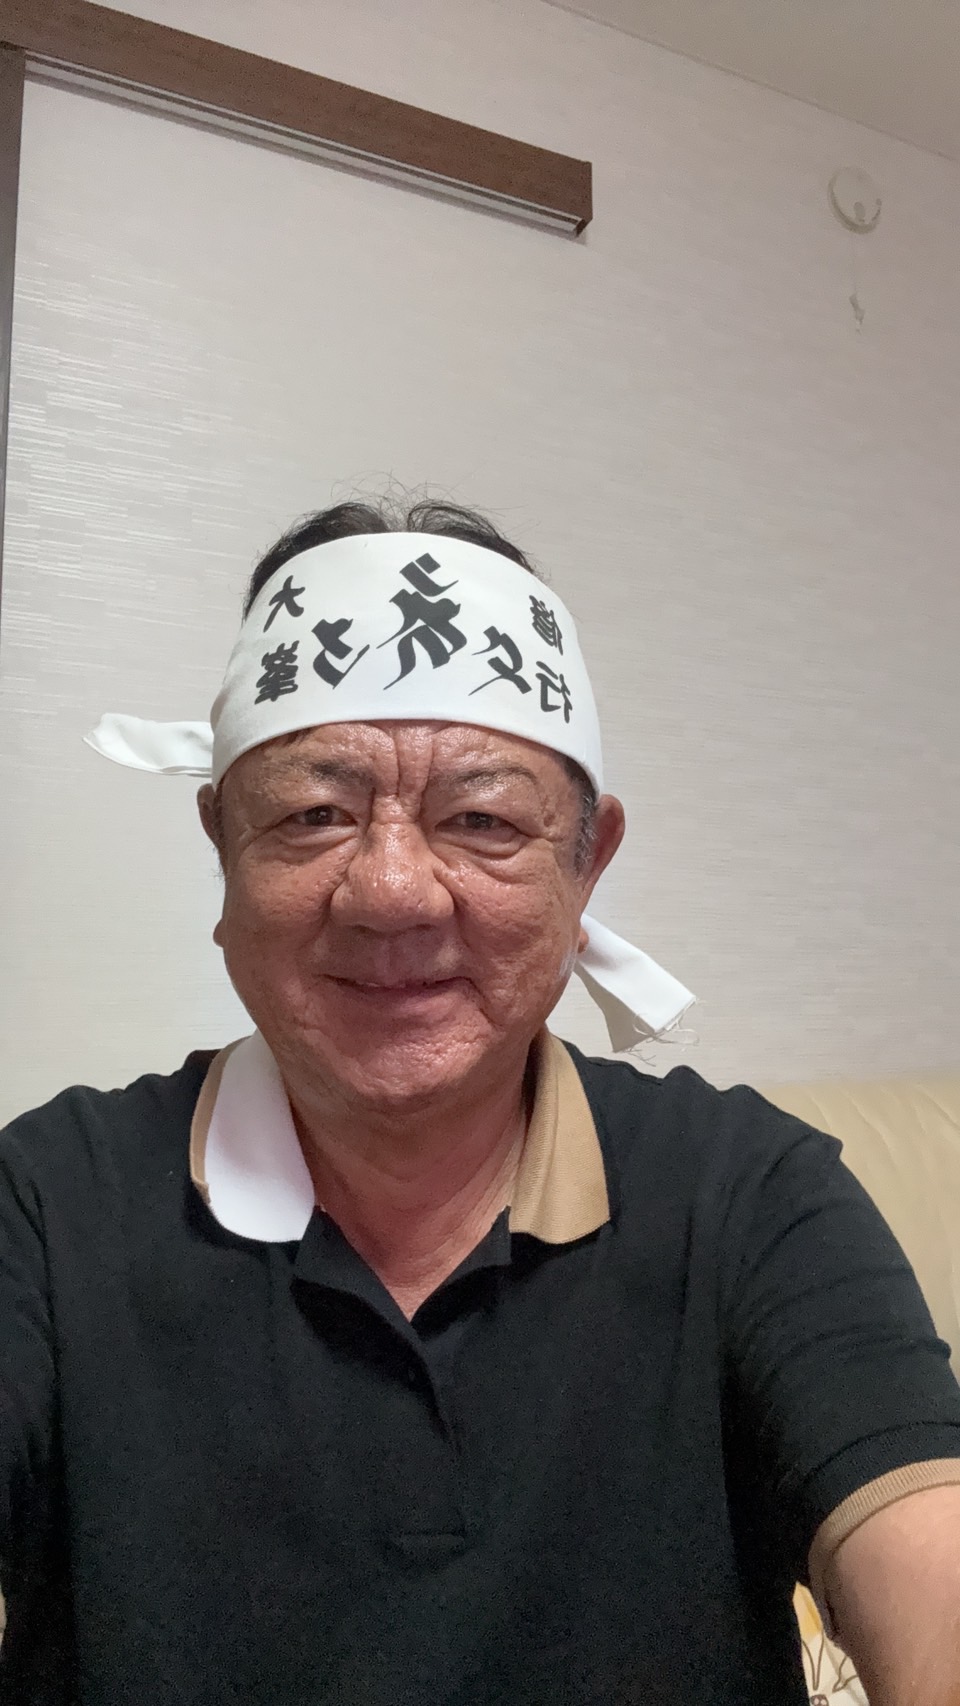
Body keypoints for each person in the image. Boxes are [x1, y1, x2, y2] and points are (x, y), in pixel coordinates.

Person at [2, 497, 959, 1706]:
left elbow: (928, 1548)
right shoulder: (47, 1205)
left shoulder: (751, 1195)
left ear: (588, 860)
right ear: (223, 841)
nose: (392, 890)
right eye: (313, 813)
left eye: (482, 818)